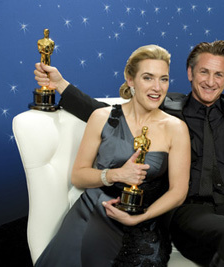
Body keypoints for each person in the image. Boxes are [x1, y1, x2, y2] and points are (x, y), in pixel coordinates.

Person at [34, 40, 224, 266]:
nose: (211, 81)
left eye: (219, 75)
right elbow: (108, 113)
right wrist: (60, 84)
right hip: (189, 209)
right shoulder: (165, 106)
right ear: (190, 73)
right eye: (204, 72)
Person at [34, 45, 191, 267]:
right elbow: (78, 176)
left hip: (144, 219)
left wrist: (140, 217)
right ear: (130, 79)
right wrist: (117, 174)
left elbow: (178, 191)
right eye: (148, 78)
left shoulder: (176, 128)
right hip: (94, 210)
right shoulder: (101, 117)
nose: (157, 87)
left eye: (163, 79)